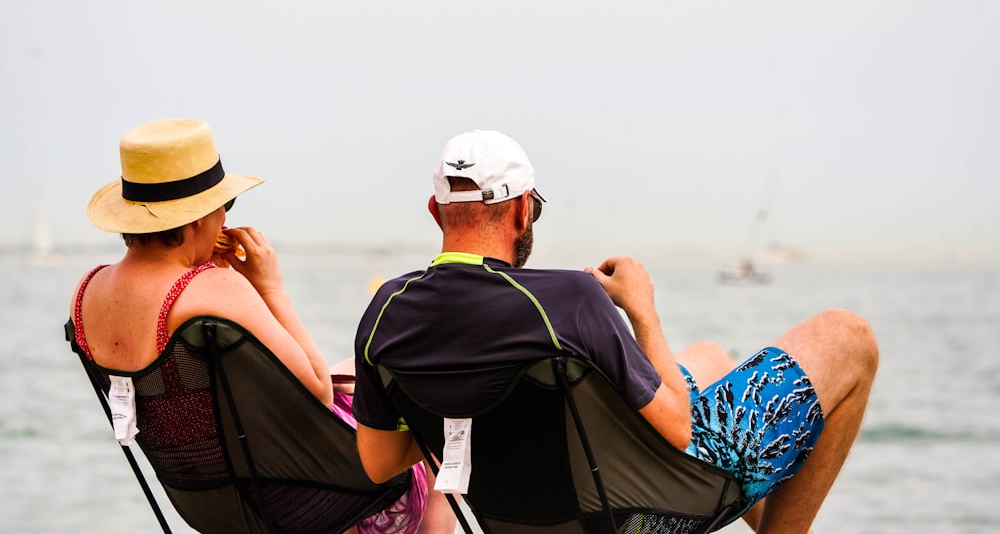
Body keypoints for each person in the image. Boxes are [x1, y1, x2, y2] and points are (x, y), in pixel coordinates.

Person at [351, 129, 879, 534]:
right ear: (519, 209)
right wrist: (641, 309)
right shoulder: (568, 300)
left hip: (525, 521)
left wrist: (458, 395)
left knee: (710, 356)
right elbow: (678, 431)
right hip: (643, 514)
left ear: (434, 211)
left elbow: (380, 464)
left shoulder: (385, 313)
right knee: (849, 336)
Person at [71, 117, 451, 534]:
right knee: (429, 395)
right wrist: (270, 288)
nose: (225, 220)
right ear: (197, 218)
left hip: (216, 511)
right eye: (225, 206)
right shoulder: (214, 288)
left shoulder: (86, 295)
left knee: (360, 371)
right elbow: (318, 394)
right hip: (324, 507)